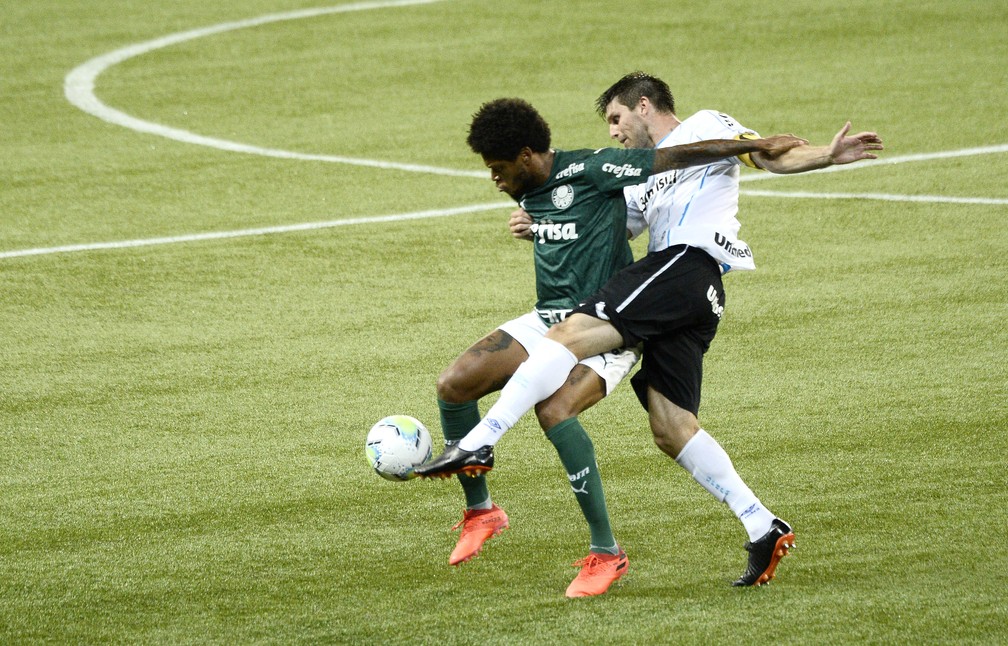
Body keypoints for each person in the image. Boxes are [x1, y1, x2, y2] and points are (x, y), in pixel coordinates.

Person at [417, 74, 884, 588]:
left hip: (687, 263)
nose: (614, 132)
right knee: (670, 427)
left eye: (617, 118)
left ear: (644, 105)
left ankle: (482, 440)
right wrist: (546, 223)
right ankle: (762, 524)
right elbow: (609, 225)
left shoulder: (704, 125)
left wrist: (825, 155)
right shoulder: (637, 180)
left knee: (566, 338)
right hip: (686, 297)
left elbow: (767, 156)